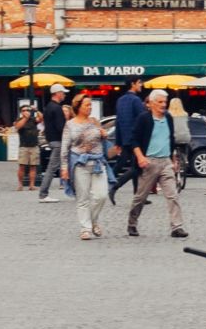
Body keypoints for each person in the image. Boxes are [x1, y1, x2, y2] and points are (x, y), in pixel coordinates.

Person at [123, 84, 187, 239]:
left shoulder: (169, 118)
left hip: (165, 162)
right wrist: (140, 157)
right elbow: (134, 140)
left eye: (165, 102)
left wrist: (173, 160)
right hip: (149, 162)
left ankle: (177, 227)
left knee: (172, 195)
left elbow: (170, 139)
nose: (163, 105)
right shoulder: (144, 119)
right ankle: (132, 223)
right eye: (160, 102)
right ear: (151, 103)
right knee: (141, 197)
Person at [65, 95, 111, 239]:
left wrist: (104, 134)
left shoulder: (95, 122)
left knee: (101, 195)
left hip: (98, 162)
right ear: (78, 106)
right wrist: (63, 167)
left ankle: (92, 221)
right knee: (83, 198)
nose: (90, 108)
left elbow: (103, 136)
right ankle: (85, 228)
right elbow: (65, 147)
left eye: (90, 105)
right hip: (79, 163)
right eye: (87, 105)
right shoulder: (70, 124)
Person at [13, 101, 40, 192]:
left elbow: (42, 118)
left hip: (34, 145)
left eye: (28, 110)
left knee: (33, 166)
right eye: (24, 110)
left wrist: (36, 110)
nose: (26, 111)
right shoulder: (19, 120)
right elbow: (17, 127)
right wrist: (25, 118)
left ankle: (31, 185)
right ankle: (20, 184)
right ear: (21, 112)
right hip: (24, 146)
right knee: (22, 166)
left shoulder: (33, 119)